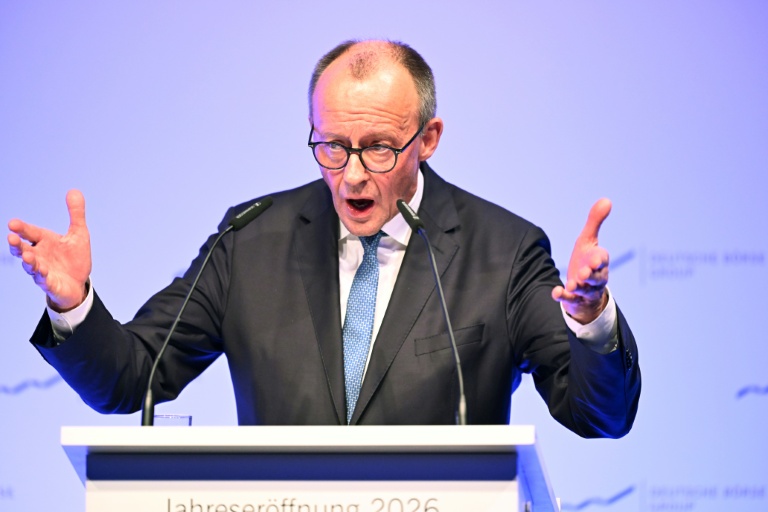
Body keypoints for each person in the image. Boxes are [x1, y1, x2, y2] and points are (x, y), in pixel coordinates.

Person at [7, 40, 639, 436]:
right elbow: (131, 380)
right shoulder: (249, 239)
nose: (353, 175)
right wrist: (73, 304)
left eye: (380, 149)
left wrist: (591, 321)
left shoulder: (504, 252)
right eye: (332, 148)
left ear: (429, 138)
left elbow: (599, 415)